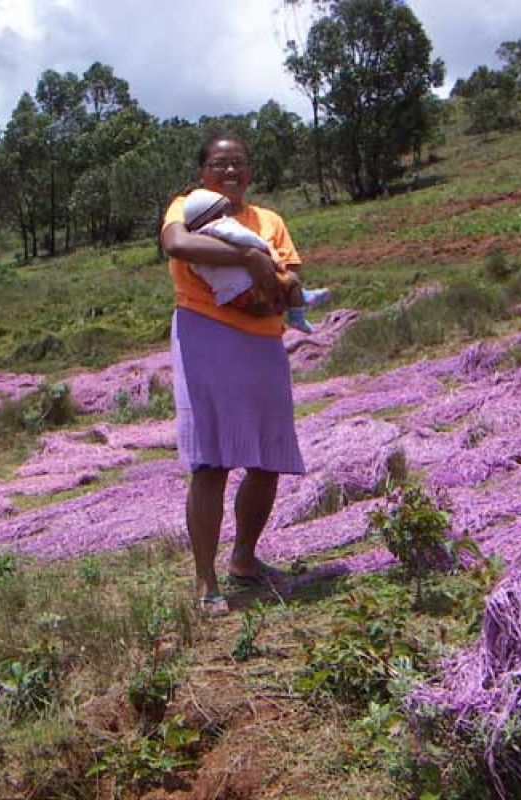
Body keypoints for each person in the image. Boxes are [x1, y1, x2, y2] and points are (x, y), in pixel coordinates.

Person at [161, 133, 306, 617]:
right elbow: (177, 243)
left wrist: (282, 282)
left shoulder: (269, 221)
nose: (230, 172)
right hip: (205, 334)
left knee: (266, 458)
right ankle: (206, 581)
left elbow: (291, 277)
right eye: (220, 164)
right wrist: (246, 257)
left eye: (239, 164)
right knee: (211, 462)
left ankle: (244, 560)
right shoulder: (186, 206)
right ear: (202, 171)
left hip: (263, 340)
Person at [182, 188, 329, 333]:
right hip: (250, 286)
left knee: (270, 302)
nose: (225, 215)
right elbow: (244, 237)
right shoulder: (220, 226)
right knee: (292, 280)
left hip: (231, 297)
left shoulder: (196, 242)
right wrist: (264, 248)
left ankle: (299, 299)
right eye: (221, 212)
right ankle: (298, 315)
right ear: (212, 215)